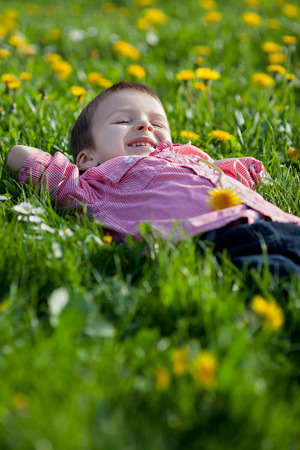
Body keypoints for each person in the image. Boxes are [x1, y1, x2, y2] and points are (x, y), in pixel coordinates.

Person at [7, 81, 300, 276]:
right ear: (86, 158)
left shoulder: (190, 157)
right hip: (213, 242)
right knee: (280, 279)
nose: (145, 125)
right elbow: (21, 155)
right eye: (123, 121)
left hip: (278, 221)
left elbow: (238, 171)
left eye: (157, 122)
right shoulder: (92, 186)